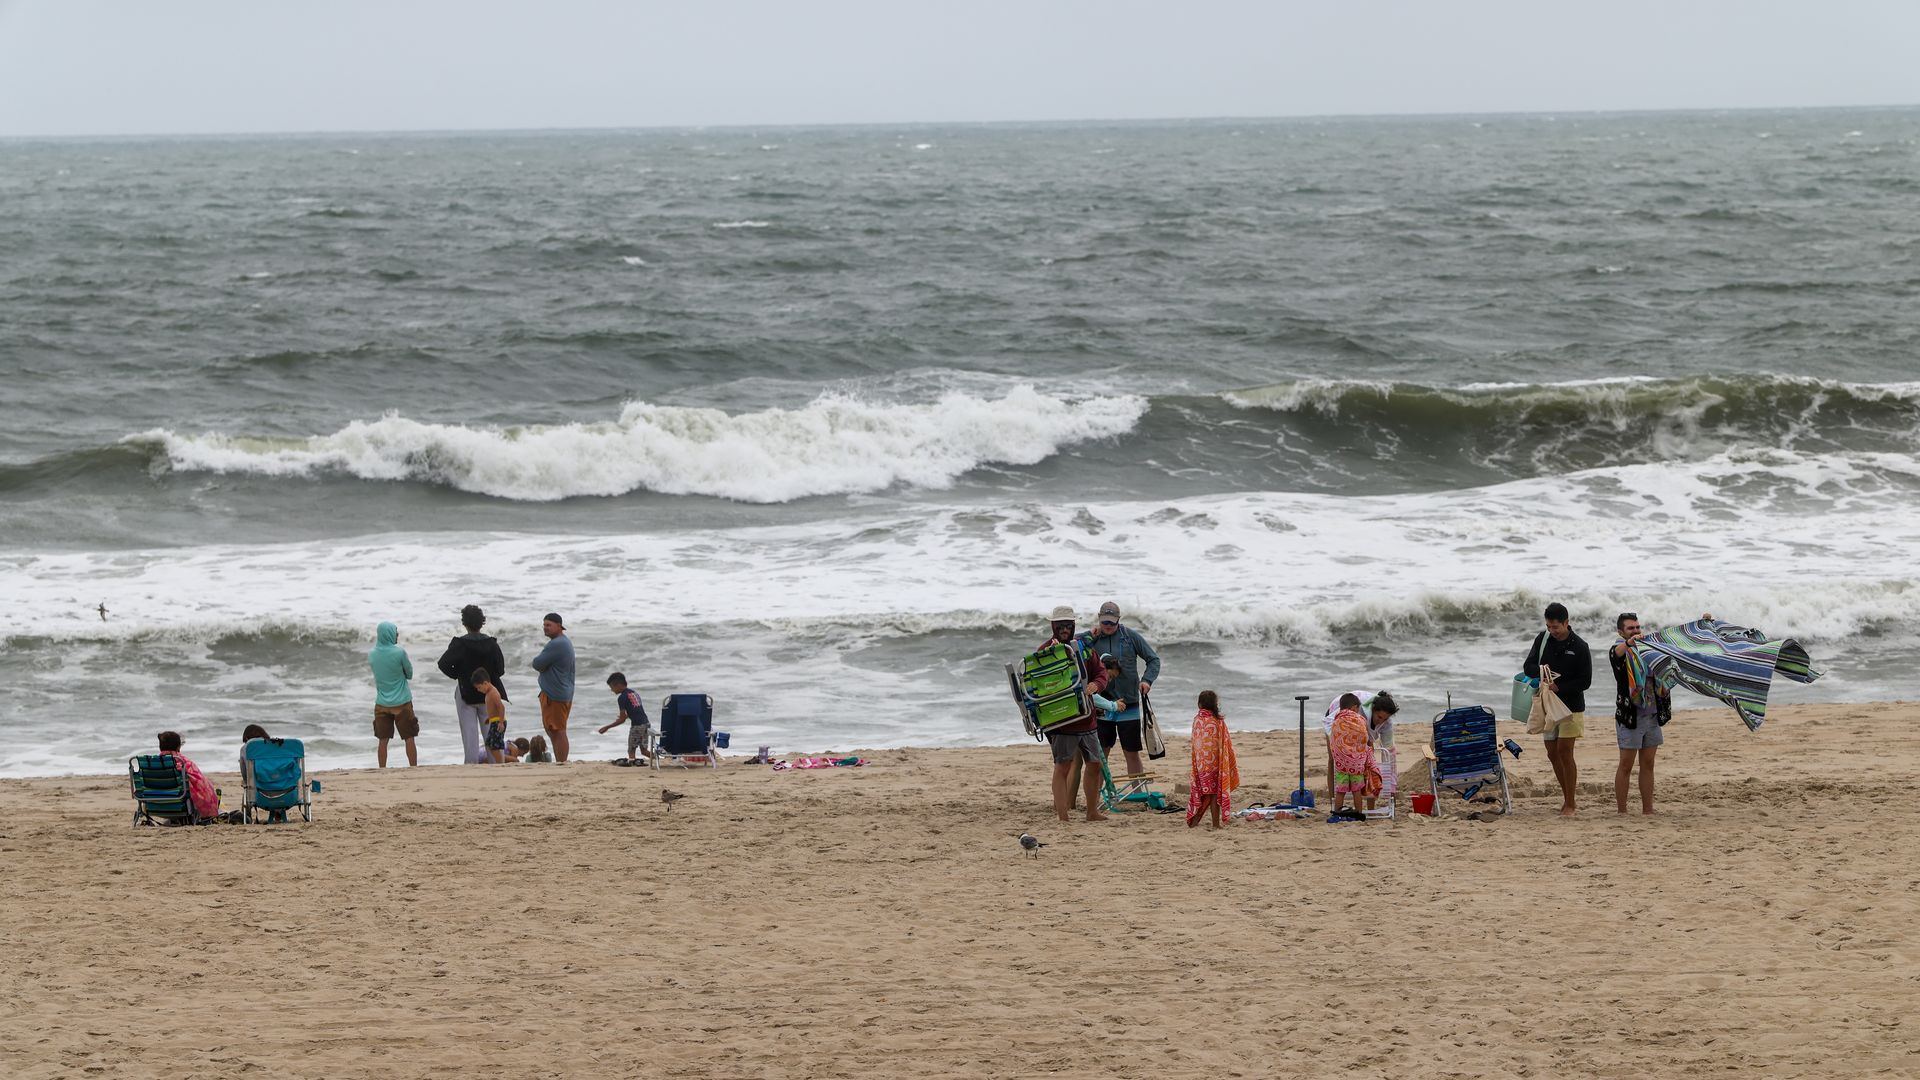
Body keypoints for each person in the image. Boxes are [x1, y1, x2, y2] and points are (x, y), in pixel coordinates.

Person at [1038, 605, 1110, 823]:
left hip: (1087, 717)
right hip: (1061, 720)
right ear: (1053, 626)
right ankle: (1063, 816)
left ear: (1073, 625)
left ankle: (1091, 812)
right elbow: (1037, 683)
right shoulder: (1043, 652)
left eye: (1068, 625)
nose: (1064, 629)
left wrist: (1096, 685)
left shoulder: (1083, 648)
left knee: (1095, 764)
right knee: (1063, 765)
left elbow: (1100, 672)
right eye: (1060, 625)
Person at [1524, 602, 1594, 817]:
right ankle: (1566, 797)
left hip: (1571, 705)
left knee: (1565, 751)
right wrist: (1543, 673)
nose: (1552, 631)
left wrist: (1560, 686)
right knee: (1552, 753)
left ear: (1566, 623)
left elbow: (1585, 681)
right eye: (1549, 627)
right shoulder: (1543, 639)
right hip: (1547, 704)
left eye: (1556, 627)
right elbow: (1528, 666)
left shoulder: (1580, 646)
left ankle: (1571, 803)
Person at [1081, 600, 1162, 779]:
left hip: (1129, 704)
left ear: (1119, 619)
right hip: (1102, 705)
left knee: (1131, 752)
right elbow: (1072, 648)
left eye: (1112, 622)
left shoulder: (1130, 637)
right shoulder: (1091, 639)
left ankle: (1138, 794)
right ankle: (1097, 797)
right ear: (1099, 618)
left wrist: (1147, 680)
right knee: (1101, 753)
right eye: (1104, 622)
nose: (1108, 626)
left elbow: (1153, 660)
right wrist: (1088, 634)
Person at [1610, 612, 1672, 815]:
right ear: (1621, 632)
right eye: (1631, 628)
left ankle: (1648, 809)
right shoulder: (1620, 651)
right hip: (1631, 717)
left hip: (1652, 715)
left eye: (1637, 627)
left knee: (1648, 764)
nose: (1636, 631)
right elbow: (1616, 654)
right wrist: (1629, 643)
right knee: (1626, 765)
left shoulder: (1650, 650)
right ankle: (1622, 811)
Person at [437, 605, 508, 765]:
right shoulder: (491, 644)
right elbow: (500, 669)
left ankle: (471, 766)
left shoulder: (459, 644)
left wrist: (459, 676)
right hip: (489, 694)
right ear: (482, 623)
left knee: (470, 737)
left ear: (464, 624)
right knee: (492, 732)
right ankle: (497, 765)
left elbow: (443, 664)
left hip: (465, 692)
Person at [1320, 691, 1397, 808]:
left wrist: (1392, 787)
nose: (1380, 721)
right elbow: (1329, 723)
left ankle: (1371, 806)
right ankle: (1332, 801)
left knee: (1370, 762)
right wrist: (1341, 746)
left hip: (1361, 729)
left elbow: (1389, 751)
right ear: (1373, 710)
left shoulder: (1387, 723)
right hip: (1337, 715)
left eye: (1384, 719)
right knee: (1333, 759)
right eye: (1379, 717)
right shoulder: (1357, 709)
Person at [367, 621, 418, 768]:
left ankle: (382, 769)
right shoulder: (399, 652)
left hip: (382, 702)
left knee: (383, 740)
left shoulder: (372, 654)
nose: (397, 635)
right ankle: (413, 768)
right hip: (402, 702)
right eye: (395, 632)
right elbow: (409, 674)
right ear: (389, 634)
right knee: (409, 738)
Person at [1187, 690, 1240, 829]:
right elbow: (1225, 743)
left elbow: (1195, 742)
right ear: (1215, 704)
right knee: (1214, 795)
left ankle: (1194, 822)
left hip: (1200, 764)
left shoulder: (1196, 720)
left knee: (1202, 792)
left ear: (1199, 704)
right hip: (1215, 764)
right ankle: (1215, 825)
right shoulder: (1218, 721)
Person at [530, 612, 576, 764]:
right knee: (554, 730)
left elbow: (537, 663)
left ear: (559, 626)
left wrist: (544, 668)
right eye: (544, 625)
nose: (545, 628)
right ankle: (560, 760)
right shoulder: (564, 642)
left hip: (555, 693)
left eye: (549, 625)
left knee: (558, 730)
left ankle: (562, 761)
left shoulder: (557, 644)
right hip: (561, 691)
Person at [1327, 693, 1380, 819]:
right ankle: (1358, 813)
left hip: (1341, 764)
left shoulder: (1336, 721)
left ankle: (1337, 814)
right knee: (1357, 790)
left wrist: (1339, 753)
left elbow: (1334, 740)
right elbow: (1364, 737)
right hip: (1356, 764)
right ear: (1354, 708)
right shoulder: (1360, 720)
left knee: (1340, 790)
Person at [157, 730, 220, 822]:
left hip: (157, 804)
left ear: (160, 746)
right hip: (180, 805)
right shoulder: (184, 763)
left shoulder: (152, 764)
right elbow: (202, 785)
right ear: (178, 746)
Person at [598, 672, 652, 765]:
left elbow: (622, 720)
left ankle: (631, 762)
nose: (611, 690)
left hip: (637, 726)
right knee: (644, 751)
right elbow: (636, 710)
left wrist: (607, 727)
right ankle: (659, 759)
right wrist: (626, 716)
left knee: (631, 749)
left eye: (611, 687)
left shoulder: (622, 698)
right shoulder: (633, 693)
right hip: (646, 724)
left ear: (618, 685)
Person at [470, 669, 508, 765]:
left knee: (495, 746)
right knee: (489, 744)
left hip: (498, 722)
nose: (478, 690)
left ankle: (500, 763)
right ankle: (499, 762)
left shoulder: (493, 693)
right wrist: (489, 718)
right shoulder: (488, 693)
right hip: (494, 721)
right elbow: (493, 709)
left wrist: (500, 722)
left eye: (479, 687)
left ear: (485, 683)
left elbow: (501, 707)